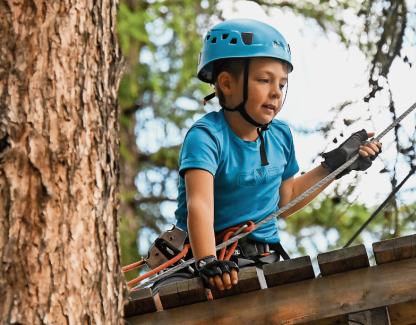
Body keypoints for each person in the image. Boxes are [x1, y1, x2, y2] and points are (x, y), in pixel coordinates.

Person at [160, 18, 381, 292]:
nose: (276, 92)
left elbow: (285, 200)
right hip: (200, 261)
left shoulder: (280, 136)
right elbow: (200, 204)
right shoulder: (206, 136)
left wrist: (335, 166)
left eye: (282, 84)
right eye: (264, 80)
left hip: (261, 261)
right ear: (227, 84)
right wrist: (207, 260)